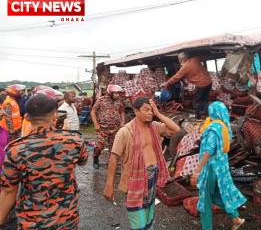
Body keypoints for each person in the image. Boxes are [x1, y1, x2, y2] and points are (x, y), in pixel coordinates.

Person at [0, 94, 88, 229]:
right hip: (67, 220)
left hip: (32, 222)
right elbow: (83, 161)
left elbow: (8, 193)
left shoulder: (15, 150)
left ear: (27, 118)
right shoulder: (74, 141)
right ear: (55, 117)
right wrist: (66, 132)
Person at [103, 97, 180, 230]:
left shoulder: (154, 127)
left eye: (151, 110)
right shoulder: (125, 132)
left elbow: (176, 130)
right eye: (146, 110)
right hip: (134, 180)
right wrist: (109, 185)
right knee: (138, 219)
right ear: (136, 111)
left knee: (149, 211)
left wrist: (158, 114)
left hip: (152, 176)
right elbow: (114, 158)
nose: (150, 113)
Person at [191, 101, 246, 230]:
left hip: (211, 168)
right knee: (216, 195)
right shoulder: (224, 126)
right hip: (221, 169)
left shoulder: (213, 128)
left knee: (205, 201)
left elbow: (208, 151)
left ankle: (207, 228)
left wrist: (197, 171)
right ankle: (236, 218)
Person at [161, 52, 212, 119]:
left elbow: (176, 77)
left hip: (201, 84)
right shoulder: (195, 59)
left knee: (197, 101)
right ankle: (205, 113)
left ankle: (198, 117)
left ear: (181, 59)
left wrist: (167, 83)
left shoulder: (185, 67)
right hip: (209, 82)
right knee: (204, 99)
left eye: (179, 59)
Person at [91, 84, 125, 169]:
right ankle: (95, 157)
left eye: (118, 93)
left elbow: (121, 112)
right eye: (115, 93)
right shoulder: (101, 100)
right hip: (102, 128)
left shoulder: (119, 101)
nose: (117, 95)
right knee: (100, 145)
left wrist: (122, 122)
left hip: (115, 128)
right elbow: (93, 112)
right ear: (110, 92)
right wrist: (96, 124)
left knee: (114, 147)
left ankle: (111, 165)